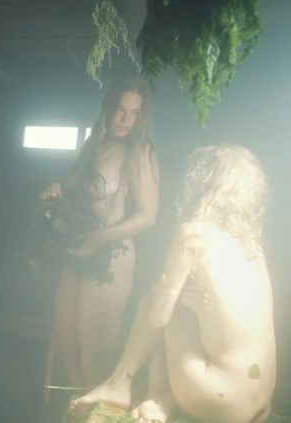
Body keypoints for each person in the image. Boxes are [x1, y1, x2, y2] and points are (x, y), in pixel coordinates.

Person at [70, 144, 275, 422]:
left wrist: (173, 296)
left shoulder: (194, 234)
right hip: (259, 406)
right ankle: (155, 399)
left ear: (202, 184)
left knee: (163, 299)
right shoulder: (253, 245)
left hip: (218, 402)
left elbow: (158, 316)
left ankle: (128, 386)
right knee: (177, 298)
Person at [39, 78, 160, 388]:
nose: (126, 119)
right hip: (79, 247)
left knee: (92, 354)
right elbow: (72, 191)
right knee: (65, 344)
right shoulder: (94, 144)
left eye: (134, 113)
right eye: (121, 110)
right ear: (109, 109)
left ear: (141, 117)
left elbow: (148, 215)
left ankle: (93, 408)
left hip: (111, 254)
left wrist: (101, 238)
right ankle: (68, 409)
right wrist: (56, 190)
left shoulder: (140, 153)